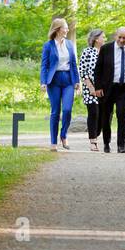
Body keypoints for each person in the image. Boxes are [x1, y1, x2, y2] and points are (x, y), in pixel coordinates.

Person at [38, 17, 79, 151]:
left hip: (68, 80)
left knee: (67, 110)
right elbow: (44, 65)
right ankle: (53, 142)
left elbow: (73, 64)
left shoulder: (69, 44)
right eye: (65, 27)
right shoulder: (48, 45)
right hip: (53, 81)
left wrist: (76, 81)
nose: (67, 29)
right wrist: (43, 82)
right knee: (55, 112)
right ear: (58, 29)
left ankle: (63, 135)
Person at [93, 26, 125, 153]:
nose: (122, 40)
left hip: (123, 87)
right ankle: (106, 143)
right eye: (120, 37)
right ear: (116, 36)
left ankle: (121, 145)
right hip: (108, 88)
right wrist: (98, 87)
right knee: (106, 116)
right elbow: (98, 69)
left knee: (122, 115)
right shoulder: (106, 49)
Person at [78, 28, 105, 151]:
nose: (104, 39)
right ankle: (93, 141)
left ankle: (96, 133)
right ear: (96, 39)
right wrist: (90, 87)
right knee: (93, 113)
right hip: (90, 88)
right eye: (102, 37)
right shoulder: (87, 52)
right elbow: (82, 70)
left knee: (103, 115)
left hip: (104, 89)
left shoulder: (106, 51)